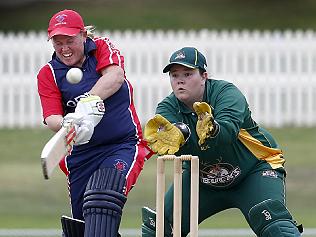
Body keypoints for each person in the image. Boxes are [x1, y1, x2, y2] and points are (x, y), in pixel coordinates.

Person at [141, 47, 303, 237]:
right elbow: (169, 141)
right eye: (174, 75)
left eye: (188, 73)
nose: (180, 80)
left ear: (204, 76)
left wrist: (213, 129)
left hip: (253, 169)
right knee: (159, 228)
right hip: (202, 178)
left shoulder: (226, 93)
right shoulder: (167, 107)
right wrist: (180, 134)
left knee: (274, 226)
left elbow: (228, 132)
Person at [37, 9, 151, 237]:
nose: (64, 48)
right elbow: (51, 118)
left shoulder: (101, 48)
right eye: (58, 42)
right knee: (82, 228)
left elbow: (115, 77)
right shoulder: (48, 73)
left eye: (70, 40)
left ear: (83, 35)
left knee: (102, 199)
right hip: (80, 154)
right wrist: (70, 123)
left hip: (122, 145)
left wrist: (87, 104)